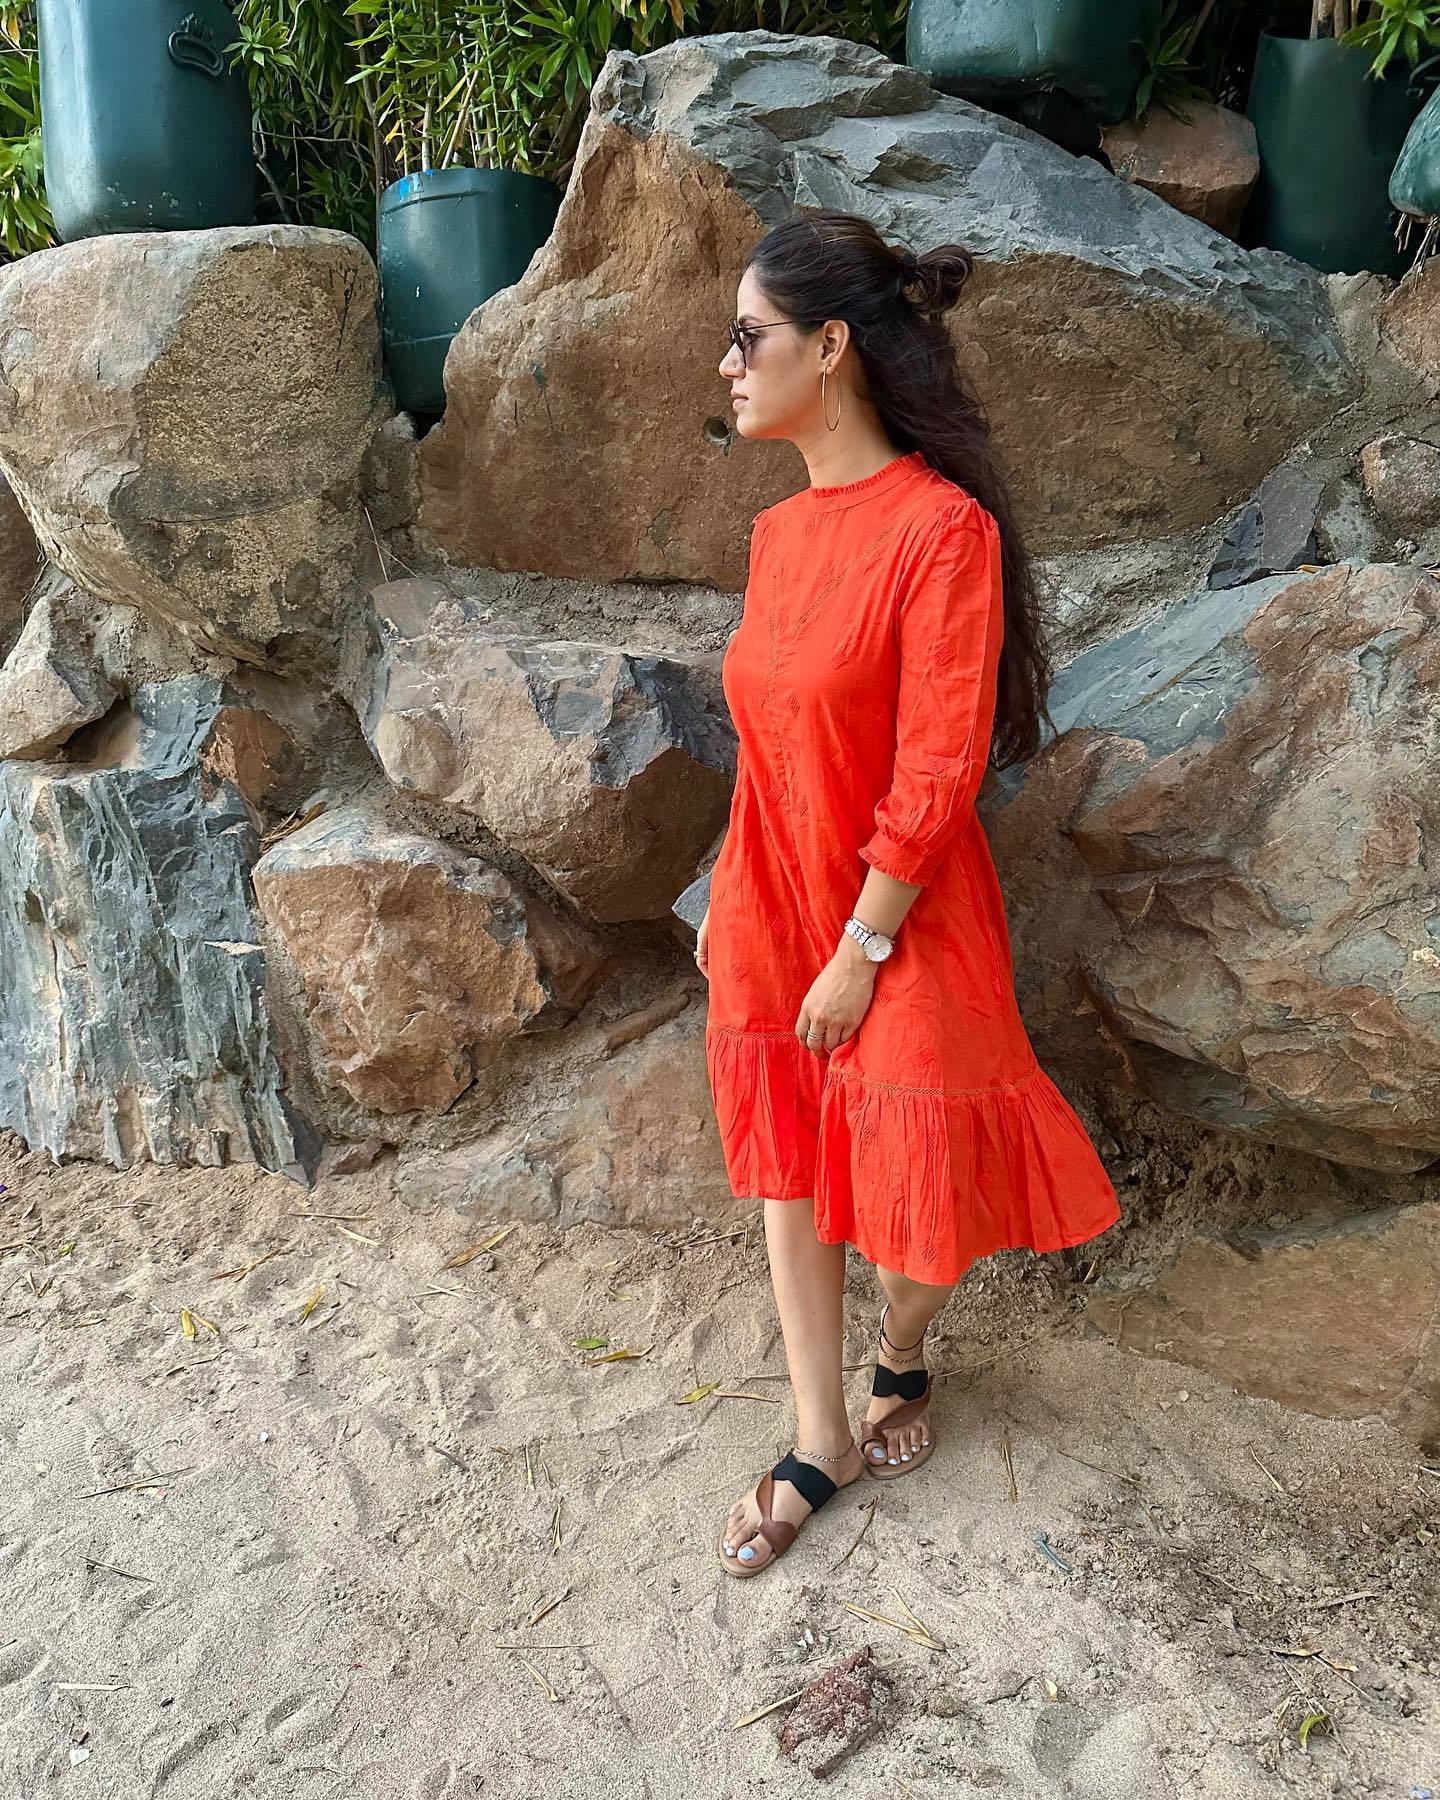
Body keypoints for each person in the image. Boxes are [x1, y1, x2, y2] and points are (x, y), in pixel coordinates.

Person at [702, 209, 1121, 1579]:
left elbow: (939, 770)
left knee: (923, 1213)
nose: (728, 365)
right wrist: (735, 901)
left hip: (902, 910)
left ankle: (901, 1348)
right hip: (773, 898)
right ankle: (818, 1433)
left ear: (830, 346)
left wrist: (860, 948)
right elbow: (768, 747)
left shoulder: (943, 533)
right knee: (791, 1154)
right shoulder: (778, 535)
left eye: (749, 336)